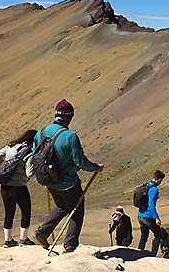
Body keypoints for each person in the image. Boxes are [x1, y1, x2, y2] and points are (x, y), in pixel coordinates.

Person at [33, 100, 103, 253]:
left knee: (62, 206)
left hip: (49, 181)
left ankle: (43, 232)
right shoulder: (70, 136)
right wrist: (96, 168)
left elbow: (34, 155)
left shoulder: (41, 133)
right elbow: (80, 162)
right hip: (68, 183)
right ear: (69, 117)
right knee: (76, 213)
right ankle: (70, 246)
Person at [0, 130, 38, 247]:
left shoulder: (11, 146)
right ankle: (23, 239)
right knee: (26, 211)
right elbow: (29, 173)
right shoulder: (29, 153)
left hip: (5, 186)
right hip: (19, 187)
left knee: (9, 212)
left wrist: (4, 164)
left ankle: (8, 240)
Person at [135, 170, 166, 254]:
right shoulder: (153, 189)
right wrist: (156, 217)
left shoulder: (146, 185)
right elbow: (151, 205)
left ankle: (139, 252)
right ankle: (153, 254)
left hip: (140, 215)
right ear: (159, 179)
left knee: (144, 235)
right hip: (148, 216)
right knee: (158, 234)